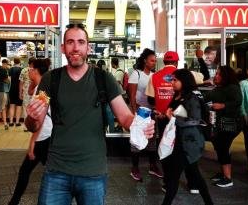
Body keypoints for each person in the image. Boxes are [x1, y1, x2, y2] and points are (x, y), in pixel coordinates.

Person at [24, 24, 155, 205]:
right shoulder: (50, 79)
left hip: (93, 172)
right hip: (56, 171)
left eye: (81, 42)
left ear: (88, 47)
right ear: (63, 48)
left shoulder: (103, 78)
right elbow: (34, 125)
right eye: (70, 42)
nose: (76, 47)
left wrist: (140, 125)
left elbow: (124, 117)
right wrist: (31, 116)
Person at [145, 50, 201, 194]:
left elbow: (150, 100)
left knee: (168, 150)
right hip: (178, 123)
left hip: (166, 121)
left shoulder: (155, 76)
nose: (172, 82)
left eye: (174, 81)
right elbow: (203, 79)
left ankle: (168, 182)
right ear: (177, 62)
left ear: (163, 62)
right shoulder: (187, 74)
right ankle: (191, 183)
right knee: (185, 152)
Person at [161, 69, 213, 205]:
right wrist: (163, 115)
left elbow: (195, 119)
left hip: (189, 142)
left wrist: (173, 118)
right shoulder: (178, 95)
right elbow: (172, 113)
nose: (172, 82)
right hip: (178, 140)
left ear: (184, 81)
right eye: (171, 79)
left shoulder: (192, 97)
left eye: (175, 80)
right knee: (195, 173)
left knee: (174, 177)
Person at [8, 58, 52, 205]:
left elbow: (40, 119)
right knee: (50, 170)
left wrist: (32, 143)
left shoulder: (42, 91)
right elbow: (30, 90)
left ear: (35, 70)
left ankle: (14, 201)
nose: (29, 72)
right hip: (46, 135)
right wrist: (34, 80)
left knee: (25, 170)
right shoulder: (41, 86)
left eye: (31, 69)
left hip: (44, 135)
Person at [204, 66, 242, 188]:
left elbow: (237, 102)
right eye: (216, 74)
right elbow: (207, 99)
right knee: (220, 147)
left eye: (219, 74)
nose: (216, 76)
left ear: (226, 76)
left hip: (229, 124)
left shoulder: (233, 88)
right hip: (219, 123)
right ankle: (223, 174)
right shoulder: (218, 88)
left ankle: (228, 178)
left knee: (223, 147)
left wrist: (223, 105)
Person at [128, 48, 162, 181]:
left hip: (152, 111)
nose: (154, 62)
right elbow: (132, 95)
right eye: (152, 60)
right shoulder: (136, 74)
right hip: (140, 112)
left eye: (155, 60)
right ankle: (134, 168)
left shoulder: (154, 75)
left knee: (152, 140)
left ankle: (153, 166)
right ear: (145, 61)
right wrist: (134, 111)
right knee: (136, 141)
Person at [19, 57, 36, 122]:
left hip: (26, 92)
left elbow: (21, 83)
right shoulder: (37, 70)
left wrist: (20, 93)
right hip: (34, 91)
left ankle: (26, 125)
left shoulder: (24, 70)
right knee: (34, 108)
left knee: (25, 108)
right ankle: (33, 124)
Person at [9, 57, 24, 127]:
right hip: (19, 89)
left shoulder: (11, 69)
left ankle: (11, 122)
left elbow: (9, 80)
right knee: (19, 106)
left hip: (12, 89)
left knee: (12, 105)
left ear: (14, 62)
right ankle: (17, 122)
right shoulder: (22, 69)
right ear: (19, 62)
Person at [1, 58, 11, 130]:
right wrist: (9, 79)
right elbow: (7, 81)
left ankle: (4, 121)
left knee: (5, 106)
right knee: (3, 107)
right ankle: (4, 122)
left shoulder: (6, 70)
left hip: (6, 90)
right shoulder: (3, 70)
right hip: (4, 90)